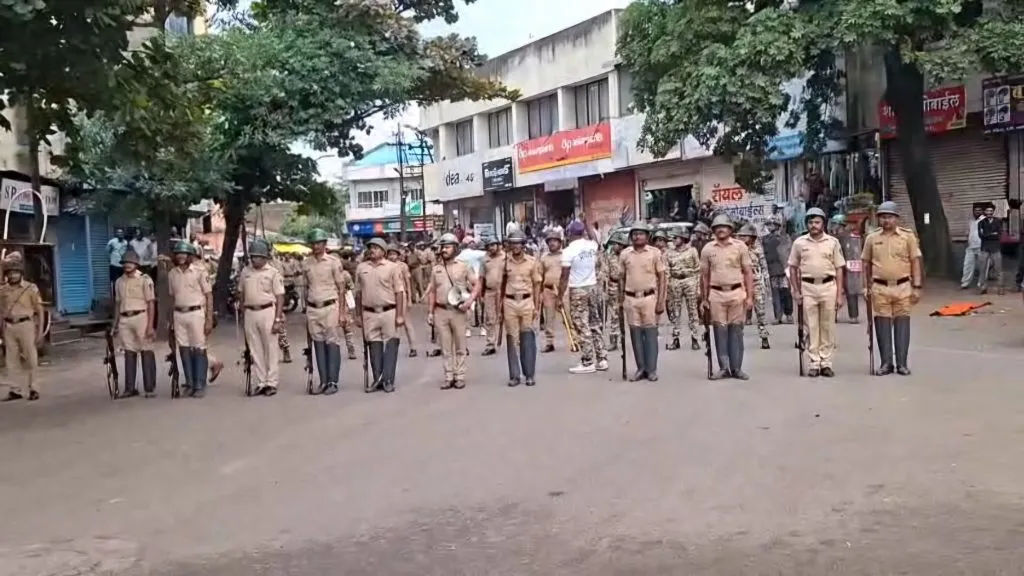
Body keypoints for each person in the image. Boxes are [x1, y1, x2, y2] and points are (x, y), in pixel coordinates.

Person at [862, 201, 922, 376]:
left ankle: (902, 363)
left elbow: (915, 261)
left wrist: (917, 286)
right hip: (880, 287)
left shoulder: (907, 237)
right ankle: (886, 363)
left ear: (896, 219)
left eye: (889, 217)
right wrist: (865, 286)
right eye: (883, 217)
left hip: (903, 286)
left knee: (902, 323)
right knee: (882, 325)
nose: (886, 220)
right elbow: (865, 263)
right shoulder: (872, 238)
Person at [787, 208, 846, 378]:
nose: (814, 225)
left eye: (817, 222)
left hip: (828, 286)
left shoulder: (833, 242)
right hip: (808, 287)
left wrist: (840, 294)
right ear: (807, 224)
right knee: (811, 326)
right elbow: (792, 268)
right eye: (811, 222)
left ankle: (826, 362)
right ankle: (814, 362)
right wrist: (796, 291)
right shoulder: (799, 243)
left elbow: (839, 268)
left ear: (823, 224)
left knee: (827, 325)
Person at [699, 214, 754, 380]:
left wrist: (750, 296)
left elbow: (748, 272)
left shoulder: (740, 247)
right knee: (719, 330)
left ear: (730, 229)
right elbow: (704, 276)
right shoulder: (708, 249)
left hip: (736, 292)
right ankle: (723, 367)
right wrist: (704, 298)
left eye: (724, 227)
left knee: (736, 330)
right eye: (717, 227)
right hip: (716, 293)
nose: (720, 229)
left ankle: (737, 368)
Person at [426, 233, 479, 390]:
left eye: (448, 247)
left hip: (458, 311)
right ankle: (448, 376)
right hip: (441, 311)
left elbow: (477, 284)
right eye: (443, 247)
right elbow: (432, 292)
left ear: (455, 248)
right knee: (445, 346)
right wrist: (430, 312)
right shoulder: (436, 269)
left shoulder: (463, 266)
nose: (444, 250)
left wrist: (469, 301)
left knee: (460, 345)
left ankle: (460, 376)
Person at [355, 237, 404, 392]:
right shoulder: (361, 268)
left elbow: (399, 292)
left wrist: (400, 314)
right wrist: (357, 315)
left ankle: (388, 379)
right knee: (373, 345)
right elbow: (358, 293)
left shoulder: (392, 267)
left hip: (389, 310)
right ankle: (377, 379)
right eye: (371, 248)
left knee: (391, 344)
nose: (372, 250)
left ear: (383, 251)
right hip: (369, 312)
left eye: (376, 248)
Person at [236, 239, 285, 396]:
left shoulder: (273, 273)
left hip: (267, 311)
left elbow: (279, 297)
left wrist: (278, 319)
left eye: (257, 256)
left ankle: (271, 382)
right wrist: (242, 309)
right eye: (252, 256)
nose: (254, 259)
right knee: (255, 349)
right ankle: (261, 381)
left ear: (265, 257)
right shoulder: (245, 272)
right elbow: (241, 292)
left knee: (270, 348)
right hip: (250, 312)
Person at [558, 220, 607, 374]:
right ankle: (602, 358)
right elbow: (596, 239)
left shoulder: (568, 251)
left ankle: (587, 361)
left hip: (578, 289)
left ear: (570, 234)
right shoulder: (591, 246)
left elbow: (564, 277)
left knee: (581, 324)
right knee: (595, 323)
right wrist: (587, 223)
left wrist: (560, 296)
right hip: (593, 287)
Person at [619, 221, 666, 381]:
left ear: (647, 236)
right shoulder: (625, 254)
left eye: (641, 233)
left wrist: (661, 300)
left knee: (650, 333)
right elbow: (621, 277)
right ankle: (641, 368)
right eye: (634, 234)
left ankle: (651, 369)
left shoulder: (654, 253)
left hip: (649, 297)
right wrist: (620, 299)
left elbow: (662, 277)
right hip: (631, 297)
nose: (637, 236)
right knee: (635, 334)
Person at [303, 228, 348, 395]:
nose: (316, 246)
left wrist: (342, 313)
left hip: (330, 306)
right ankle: (323, 381)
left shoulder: (333, 262)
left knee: (332, 343)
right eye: (313, 243)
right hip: (313, 307)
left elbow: (341, 288)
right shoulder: (306, 263)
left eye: (319, 243)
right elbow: (306, 287)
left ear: (324, 244)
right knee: (318, 343)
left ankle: (333, 381)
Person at [167, 241, 214, 397]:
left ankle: (200, 383)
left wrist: (209, 319)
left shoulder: (200, 271)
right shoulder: (172, 274)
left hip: (196, 312)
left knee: (199, 348)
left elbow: (208, 295)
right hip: (179, 313)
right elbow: (172, 297)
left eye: (184, 253)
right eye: (178, 253)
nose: (181, 256)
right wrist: (170, 319)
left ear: (190, 256)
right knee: (184, 348)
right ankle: (190, 382)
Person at [499, 230, 542, 386]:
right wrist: (499, 307)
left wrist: (537, 306)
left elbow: (537, 285)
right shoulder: (505, 263)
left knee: (528, 338)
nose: (515, 246)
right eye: (513, 243)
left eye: (518, 243)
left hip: (526, 301)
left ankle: (529, 374)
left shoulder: (532, 262)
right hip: (509, 302)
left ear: (524, 245)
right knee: (512, 338)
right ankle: (514, 375)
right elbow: (501, 286)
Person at [113, 250, 157, 398]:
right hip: (125, 319)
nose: (127, 265)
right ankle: (130, 388)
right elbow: (118, 304)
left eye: (130, 262)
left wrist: (150, 325)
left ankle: (149, 387)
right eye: (125, 263)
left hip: (141, 316)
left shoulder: (145, 279)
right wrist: (115, 324)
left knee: (146, 351)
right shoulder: (119, 282)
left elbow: (151, 303)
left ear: (136, 264)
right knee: (129, 352)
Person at [0, 257, 44, 401]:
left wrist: (40, 331)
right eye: (10, 273)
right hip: (9, 326)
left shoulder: (30, 288)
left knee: (31, 358)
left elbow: (39, 309)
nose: (13, 276)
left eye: (16, 272)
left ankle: (34, 388)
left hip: (26, 325)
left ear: (21, 273)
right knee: (11, 360)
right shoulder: (3, 290)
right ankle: (15, 390)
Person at [665, 228, 702, 351]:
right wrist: (668, 287)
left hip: (689, 280)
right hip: (675, 281)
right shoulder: (669, 253)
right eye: (673, 238)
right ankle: (676, 339)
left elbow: (697, 269)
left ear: (683, 238)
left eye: (676, 238)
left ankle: (695, 338)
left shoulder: (692, 251)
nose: (674, 240)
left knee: (693, 310)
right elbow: (667, 271)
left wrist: (698, 287)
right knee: (675, 312)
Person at [735, 223, 771, 350]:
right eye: (741, 236)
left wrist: (767, 285)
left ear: (752, 237)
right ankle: (738, 339)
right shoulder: (737, 249)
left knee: (760, 312)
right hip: (740, 284)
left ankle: (764, 337)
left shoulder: (758, 249)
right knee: (739, 314)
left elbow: (764, 267)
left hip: (756, 283)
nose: (742, 238)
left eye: (745, 236)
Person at [387, 244, 418, 357]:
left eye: (394, 254)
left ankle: (413, 347)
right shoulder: (385, 266)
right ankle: (394, 347)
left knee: (406, 322)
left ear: (398, 255)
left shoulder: (403, 266)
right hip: (390, 296)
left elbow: (408, 282)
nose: (392, 256)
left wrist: (410, 298)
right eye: (390, 254)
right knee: (392, 323)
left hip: (402, 294)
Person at [762, 219, 793, 323]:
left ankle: (789, 314)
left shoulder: (785, 238)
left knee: (786, 293)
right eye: (768, 225)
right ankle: (778, 316)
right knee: (775, 294)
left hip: (784, 269)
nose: (769, 227)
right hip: (772, 269)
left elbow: (789, 252)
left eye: (771, 225)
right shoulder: (765, 239)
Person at [835, 215, 864, 323]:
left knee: (838, 290)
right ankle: (853, 316)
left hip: (842, 266)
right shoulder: (852, 237)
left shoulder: (838, 237)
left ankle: (836, 315)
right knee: (849, 292)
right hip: (847, 266)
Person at [539, 230, 565, 352]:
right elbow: (540, 276)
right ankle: (549, 342)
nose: (552, 243)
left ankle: (575, 339)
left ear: (560, 242)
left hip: (563, 290)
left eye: (555, 241)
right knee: (549, 317)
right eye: (550, 241)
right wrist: (539, 293)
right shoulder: (544, 258)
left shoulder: (565, 255)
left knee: (569, 316)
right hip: (548, 290)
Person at [601, 235, 627, 351]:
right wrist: (604, 289)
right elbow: (605, 272)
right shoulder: (609, 257)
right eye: (614, 244)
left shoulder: (626, 257)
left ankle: (626, 338)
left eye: (618, 244)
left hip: (626, 287)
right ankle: (614, 340)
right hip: (613, 286)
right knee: (614, 314)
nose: (615, 246)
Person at [480, 237, 504, 356]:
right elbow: (482, 278)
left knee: (507, 317)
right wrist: (481, 294)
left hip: (503, 292)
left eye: (494, 245)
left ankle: (515, 342)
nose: (491, 247)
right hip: (489, 292)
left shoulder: (505, 258)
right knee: (490, 319)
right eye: (489, 245)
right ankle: (490, 344)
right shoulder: (485, 260)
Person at [977, 203, 1003, 295]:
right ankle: (983, 288)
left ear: (993, 212)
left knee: (998, 269)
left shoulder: (998, 221)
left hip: (995, 248)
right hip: (984, 248)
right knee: (982, 269)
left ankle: (1000, 288)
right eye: (987, 211)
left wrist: (987, 235)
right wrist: (992, 234)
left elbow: (999, 234)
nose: (989, 213)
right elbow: (981, 235)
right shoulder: (981, 223)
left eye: (991, 211)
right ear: (985, 212)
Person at [961, 205, 983, 290]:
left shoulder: (984, 220)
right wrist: (966, 242)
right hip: (970, 246)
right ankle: (965, 282)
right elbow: (968, 233)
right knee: (967, 265)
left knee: (982, 266)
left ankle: (981, 284)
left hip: (981, 246)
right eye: (976, 210)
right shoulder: (971, 221)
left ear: (981, 211)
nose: (977, 212)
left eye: (979, 210)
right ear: (973, 211)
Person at [107, 228, 128, 295]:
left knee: (124, 281)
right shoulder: (112, 242)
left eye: (121, 232)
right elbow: (108, 251)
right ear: (116, 234)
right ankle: (115, 296)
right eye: (118, 232)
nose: (120, 234)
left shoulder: (125, 242)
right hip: (114, 264)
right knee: (114, 282)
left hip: (122, 265)